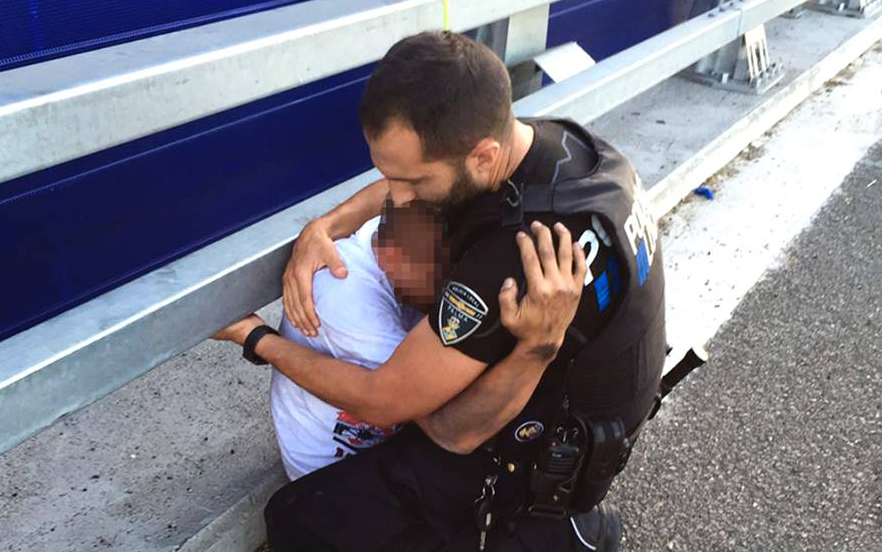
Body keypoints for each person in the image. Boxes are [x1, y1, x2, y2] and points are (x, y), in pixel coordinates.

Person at [215, 31, 664, 551]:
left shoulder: (515, 261)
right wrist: (329, 224)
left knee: (302, 518)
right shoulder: (564, 148)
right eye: (391, 178)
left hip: (535, 478)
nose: (398, 199)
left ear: (481, 155)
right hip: (592, 431)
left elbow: (411, 415)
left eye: (414, 183)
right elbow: (402, 181)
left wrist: (254, 337)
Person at [265, 201, 446, 480]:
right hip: (334, 478)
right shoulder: (347, 297)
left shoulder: (396, 237)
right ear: (393, 256)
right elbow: (452, 424)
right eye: (441, 276)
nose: (449, 286)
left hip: (394, 442)